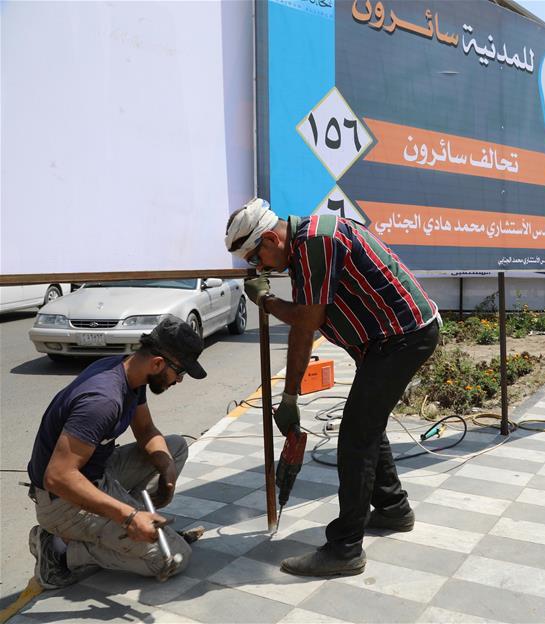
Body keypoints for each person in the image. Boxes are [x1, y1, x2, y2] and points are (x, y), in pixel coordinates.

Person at [224, 198, 440, 577]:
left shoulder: (316, 243)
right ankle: (392, 509)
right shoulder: (301, 251)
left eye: (256, 259)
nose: (259, 268)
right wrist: (289, 395)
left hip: (403, 337)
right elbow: (303, 332)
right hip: (383, 342)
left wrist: (266, 299)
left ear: (272, 239)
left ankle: (345, 549)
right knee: (366, 428)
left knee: (355, 438)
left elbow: (306, 319)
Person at [26, 316, 207, 589]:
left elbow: (146, 430)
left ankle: (124, 529)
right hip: (61, 502)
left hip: (98, 472)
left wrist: (167, 472)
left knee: (174, 448)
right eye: (179, 373)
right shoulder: (102, 401)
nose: (179, 380)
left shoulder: (130, 372)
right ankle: (59, 549)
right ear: (158, 363)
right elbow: (58, 477)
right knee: (173, 558)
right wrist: (130, 517)